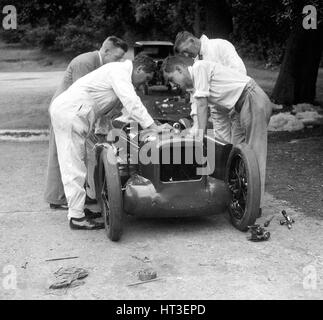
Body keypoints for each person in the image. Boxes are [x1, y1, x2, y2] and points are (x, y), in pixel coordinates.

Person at [50, 55, 169, 230]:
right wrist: (152, 126)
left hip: (75, 114)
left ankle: (79, 210)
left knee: (79, 163)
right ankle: (76, 217)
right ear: (139, 70)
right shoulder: (118, 72)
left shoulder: (118, 73)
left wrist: (154, 125)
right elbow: (132, 102)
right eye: (147, 78)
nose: (144, 84)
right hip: (70, 114)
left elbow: (123, 111)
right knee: (73, 165)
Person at [162, 55, 273, 217]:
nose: (173, 85)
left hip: (251, 98)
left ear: (179, 69)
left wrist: (199, 137)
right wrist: (193, 131)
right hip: (239, 106)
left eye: (172, 79)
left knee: (254, 155)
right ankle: (240, 196)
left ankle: (254, 207)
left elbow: (202, 105)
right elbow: (196, 110)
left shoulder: (199, 67)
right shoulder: (194, 86)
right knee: (238, 154)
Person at [45, 36, 128, 210]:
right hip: (65, 113)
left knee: (78, 156)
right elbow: (82, 97)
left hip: (75, 114)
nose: (120, 62)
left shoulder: (101, 64)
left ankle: (77, 197)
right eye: (117, 57)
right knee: (63, 156)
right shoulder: (85, 62)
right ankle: (58, 199)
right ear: (106, 51)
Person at [174, 31, 246, 142]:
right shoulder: (197, 62)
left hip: (235, 100)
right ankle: (222, 158)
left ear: (191, 41)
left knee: (238, 142)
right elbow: (197, 94)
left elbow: (240, 72)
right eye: (183, 53)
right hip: (217, 108)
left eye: (185, 51)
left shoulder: (220, 45)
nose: (186, 55)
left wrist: (234, 100)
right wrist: (196, 122)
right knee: (220, 143)